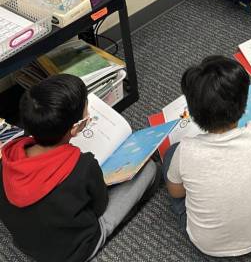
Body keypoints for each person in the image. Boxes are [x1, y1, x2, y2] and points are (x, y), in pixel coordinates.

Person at [0, 74, 159, 262]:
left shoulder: (7, 159)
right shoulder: (83, 166)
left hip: (28, 244)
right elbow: (100, 207)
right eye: (87, 111)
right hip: (76, 251)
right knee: (149, 169)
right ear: (74, 129)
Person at [163, 56, 251, 257]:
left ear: (193, 112)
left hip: (204, 243)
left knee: (171, 154)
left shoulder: (185, 150)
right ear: (243, 105)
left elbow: (177, 194)